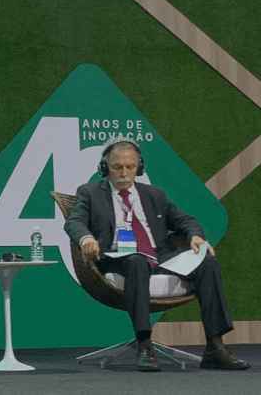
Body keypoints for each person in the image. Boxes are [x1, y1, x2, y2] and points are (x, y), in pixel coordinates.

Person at [64, 136, 249, 372]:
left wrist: (195, 236)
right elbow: (74, 221)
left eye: (130, 167)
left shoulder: (154, 195)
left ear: (139, 167)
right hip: (117, 258)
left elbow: (185, 220)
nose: (124, 173)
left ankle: (215, 346)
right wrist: (86, 238)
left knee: (207, 262)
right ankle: (144, 346)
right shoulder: (90, 193)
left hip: (159, 256)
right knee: (137, 261)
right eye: (117, 167)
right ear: (104, 167)